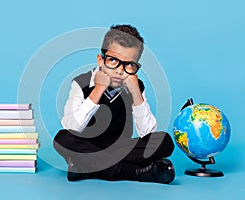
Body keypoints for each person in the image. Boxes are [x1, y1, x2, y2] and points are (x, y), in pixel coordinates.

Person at [53, 24, 175, 184]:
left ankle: (85, 166)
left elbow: (148, 134)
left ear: (136, 66)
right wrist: (98, 89)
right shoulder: (80, 83)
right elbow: (72, 127)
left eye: (129, 64)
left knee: (164, 141)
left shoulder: (135, 86)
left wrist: (136, 93)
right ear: (100, 60)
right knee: (62, 139)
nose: (120, 71)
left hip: (119, 147)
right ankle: (134, 172)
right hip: (85, 144)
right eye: (113, 60)